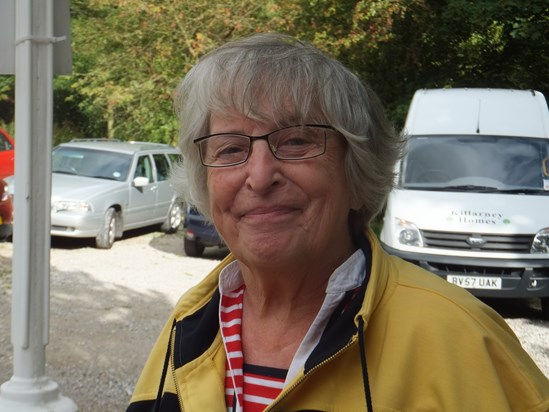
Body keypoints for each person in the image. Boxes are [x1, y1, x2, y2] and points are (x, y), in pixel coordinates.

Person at [127, 33, 549, 412]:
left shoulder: (463, 339)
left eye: (296, 141)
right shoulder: (189, 323)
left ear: (357, 175)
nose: (258, 176)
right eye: (230, 148)